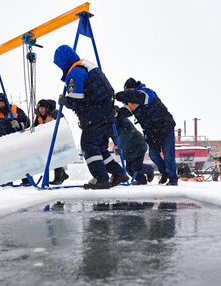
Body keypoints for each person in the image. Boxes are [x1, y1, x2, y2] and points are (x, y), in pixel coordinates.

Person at [53, 45, 128, 190]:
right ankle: (118, 173)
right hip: (106, 112)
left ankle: (101, 178)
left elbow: (76, 101)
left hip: (95, 114)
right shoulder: (86, 65)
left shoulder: (75, 73)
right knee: (100, 148)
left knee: (88, 145)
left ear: (63, 62)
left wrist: (64, 101)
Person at [115, 78, 178, 186]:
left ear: (132, 89)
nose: (128, 94)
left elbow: (137, 96)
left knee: (168, 154)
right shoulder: (132, 101)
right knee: (153, 155)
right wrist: (115, 113)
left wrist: (117, 95)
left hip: (165, 127)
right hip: (152, 132)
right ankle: (165, 173)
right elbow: (125, 111)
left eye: (128, 91)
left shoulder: (146, 93)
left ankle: (173, 180)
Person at [110, 106, 155, 185]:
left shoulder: (124, 121)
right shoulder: (112, 126)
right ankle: (142, 181)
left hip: (137, 146)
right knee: (129, 170)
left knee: (136, 167)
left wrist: (119, 145)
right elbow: (114, 136)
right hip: (128, 150)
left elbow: (126, 134)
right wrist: (116, 145)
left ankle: (150, 169)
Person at [33, 99, 69, 185]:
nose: (41, 110)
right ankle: (62, 175)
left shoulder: (56, 113)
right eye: (39, 108)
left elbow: (64, 125)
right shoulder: (39, 117)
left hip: (59, 139)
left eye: (42, 108)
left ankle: (58, 178)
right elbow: (35, 127)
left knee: (57, 158)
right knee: (52, 159)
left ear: (47, 108)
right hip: (47, 140)